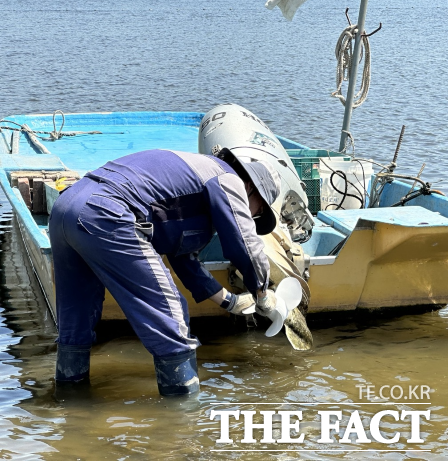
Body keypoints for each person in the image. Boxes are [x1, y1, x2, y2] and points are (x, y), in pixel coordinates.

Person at [50, 148, 281, 395]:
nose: (254, 216)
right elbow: (244, 242)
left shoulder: (194, 181)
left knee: (76, 316)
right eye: (259, 210)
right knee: (170, 316)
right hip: (106, 212)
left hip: (66, 207)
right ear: (250, 188)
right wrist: (262, 291)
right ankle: (185, 413)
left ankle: (69, 398)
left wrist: (231, 302)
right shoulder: (228, 178)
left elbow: (183, 258)